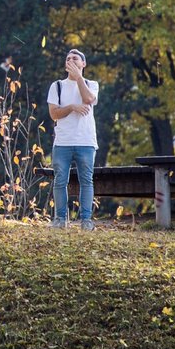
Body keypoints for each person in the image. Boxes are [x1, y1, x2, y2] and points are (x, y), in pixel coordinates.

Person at [47, 48, 99, 230]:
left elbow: (88, 99)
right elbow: (53, 114)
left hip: (86, 142)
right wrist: (71, 107)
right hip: (62, 143)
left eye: (75, 58)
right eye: (68, 58)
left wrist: (78, 78)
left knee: (87, 180)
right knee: (60, 180)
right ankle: (60, 219)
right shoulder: (57, 86)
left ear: (83, 64)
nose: (70, 60)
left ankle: (86, 220)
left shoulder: (91, 84)